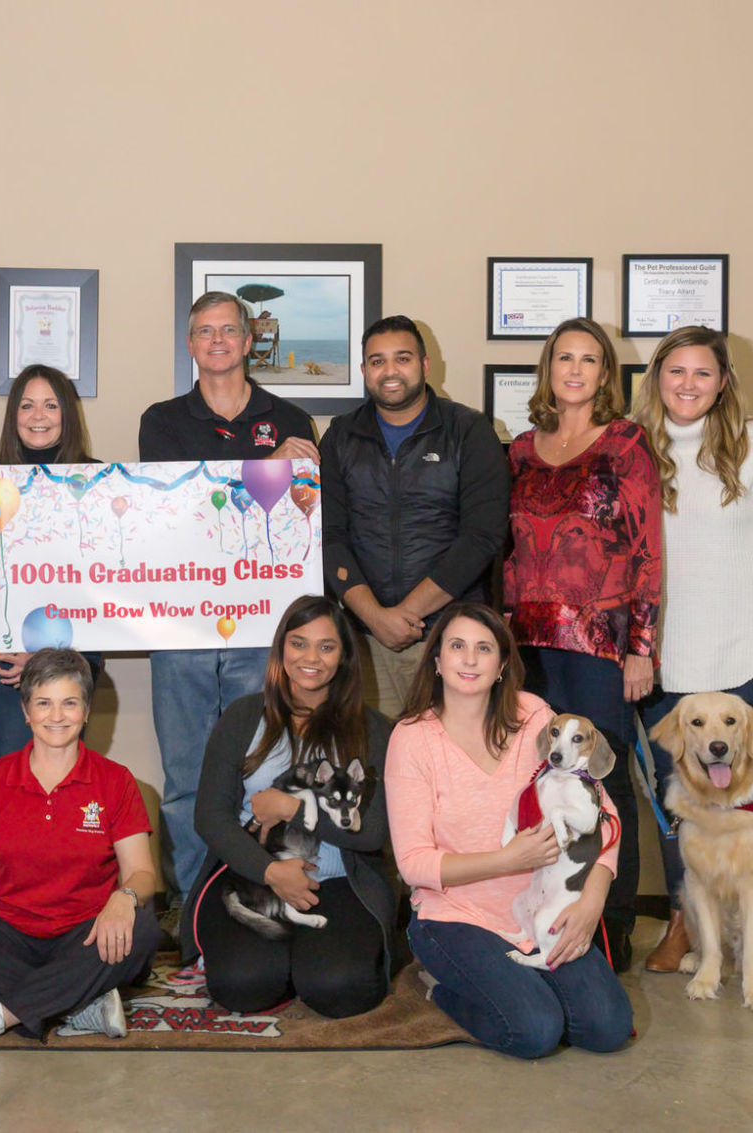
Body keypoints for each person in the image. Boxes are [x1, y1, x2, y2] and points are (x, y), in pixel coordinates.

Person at [632, 326, 753, 988]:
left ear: (723, 381)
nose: (687, 384)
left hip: (748, 648)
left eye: (702, 373)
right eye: (675, 371)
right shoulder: (636, 450)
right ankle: (687, 920)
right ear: (657, 377)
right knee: (676, 792)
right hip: (667, 654)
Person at [388, 603, 632, 1058]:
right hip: (456, 915)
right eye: (456, 646)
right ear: (437, 660)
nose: (469, 659)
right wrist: (507, 860)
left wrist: (592, 901)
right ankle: (439, 991)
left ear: (502, 665)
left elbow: (606, 814)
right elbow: (413, 863)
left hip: (543, 907)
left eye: (484, 648)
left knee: (607, 1028)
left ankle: (517, 984)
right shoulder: (412, 738)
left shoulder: (535, 716)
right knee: (535, 1031)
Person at [138, 290, 318, 900]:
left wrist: (299, 469)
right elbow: (181, 511)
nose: (217, 340)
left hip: (259, 626)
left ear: (247, 342)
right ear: (191, 346)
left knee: (261, 775)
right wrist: (268, 464)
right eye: (203, 331)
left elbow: (301, 522)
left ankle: (259, 901)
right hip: (181, 627)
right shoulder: (160, 421)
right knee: (188, 780)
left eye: (228, 330)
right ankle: (195, 915)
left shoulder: (292, 421)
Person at [0, 649, 160, 1051]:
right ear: (26, 711)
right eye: (43, 703)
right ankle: (78, 1002)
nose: (56, 716)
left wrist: (123, 898)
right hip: (6, 938)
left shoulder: (116, 781)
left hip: (86, 935)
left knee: (142, 927)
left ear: (86, 710)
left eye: (69, 703)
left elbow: (142, 874)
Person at [503, 316, 659, 971]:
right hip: (528, 646)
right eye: (562, 357)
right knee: (539, 779)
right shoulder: (517, 450)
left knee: (605, 784)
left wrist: (642, 646)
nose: (574, 369)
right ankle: (543, 912)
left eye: (588, 359)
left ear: (604, 373)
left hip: (600, 643)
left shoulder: (625, 443)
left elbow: (648, 549)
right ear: (548, 370)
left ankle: (608, 929)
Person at [188, 595, 401, 1018]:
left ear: (344, 657)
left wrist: (290, 808)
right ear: (281, 648)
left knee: (341, 991)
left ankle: (315, 959)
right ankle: (283, 962)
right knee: (242, 988)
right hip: (254, 875)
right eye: (299, 643)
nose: (311, 658)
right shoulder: (244, 716)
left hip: (340, 882)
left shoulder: (374, 729)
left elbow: (372, 833)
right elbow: (209, 816)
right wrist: (269, 872)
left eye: (327, 647)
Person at [321, 314, 510, 719]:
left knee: (454, 764)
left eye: (402, 359)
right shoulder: (340, 436)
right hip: (364, 641)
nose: (389, 371)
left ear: (425, 365)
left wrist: (406, 614)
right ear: (363, 371)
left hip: (450, 637)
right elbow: (329, 535)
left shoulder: (469, 430)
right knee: (376, 767)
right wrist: (375, 617)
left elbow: (482, 537)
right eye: (377, 361)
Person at [0, 364, 102, 759]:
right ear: (13, 414)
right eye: (27, 405)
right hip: (2, 646)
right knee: (10, 764)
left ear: (67, 414)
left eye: (50, 405)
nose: (38, 416)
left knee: (66, 765)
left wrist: (54, 658)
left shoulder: (97, 478)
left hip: (78, 644)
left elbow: (104, 580)